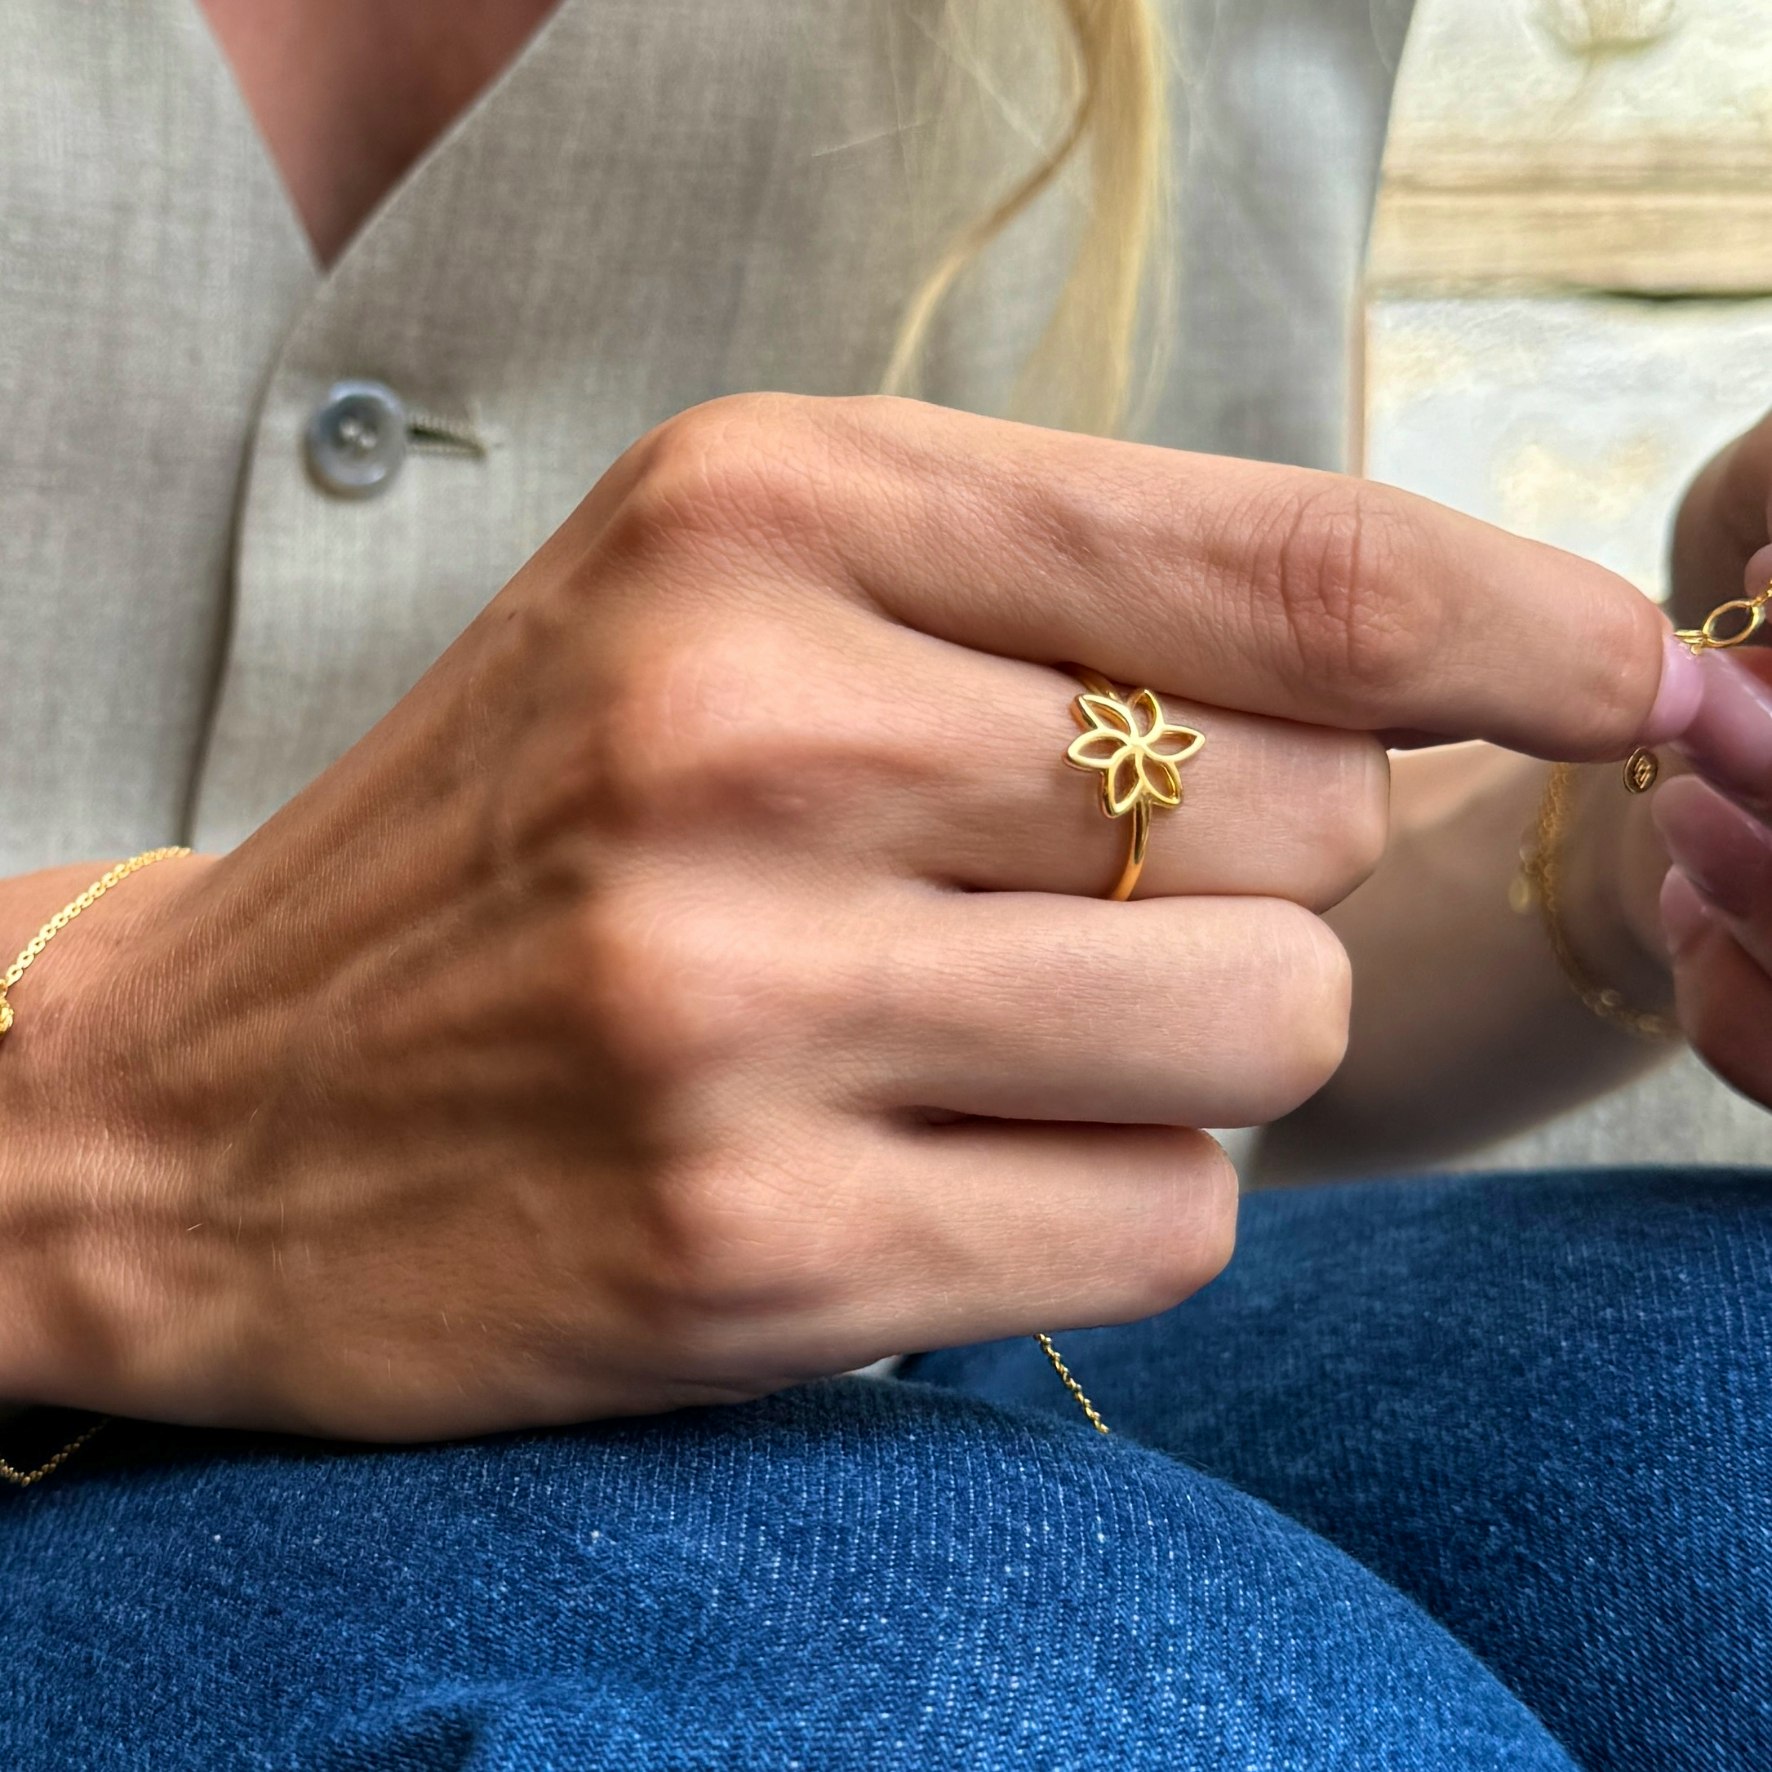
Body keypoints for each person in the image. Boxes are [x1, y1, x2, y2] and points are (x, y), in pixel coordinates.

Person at [1, 1, 1767, 1766]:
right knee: (1085, 1706)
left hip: (882, 1356)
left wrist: (1651, 834)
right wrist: (113, 1103)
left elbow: (1147, 916)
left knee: (1726, 1441)